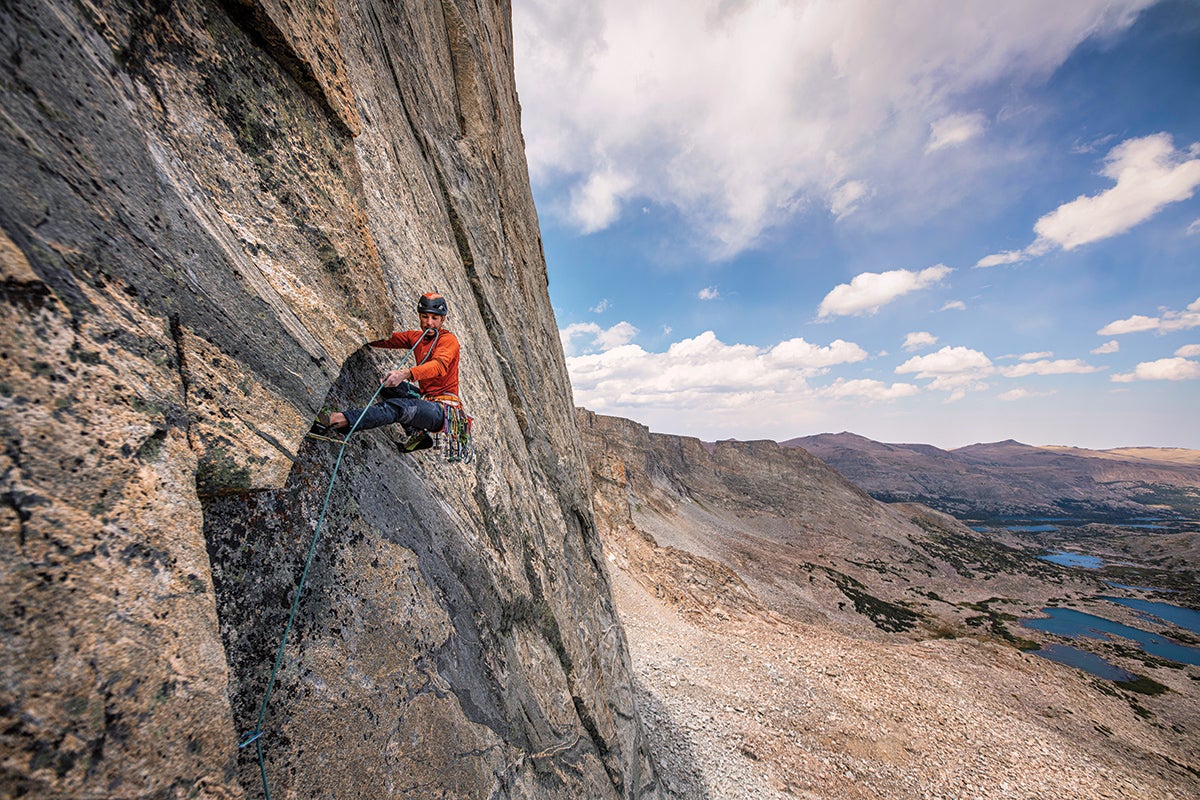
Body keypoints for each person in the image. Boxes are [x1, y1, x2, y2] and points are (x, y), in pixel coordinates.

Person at [317, 292, 461, 450]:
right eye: (425, 317)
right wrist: (356, 334)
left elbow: (439, 366)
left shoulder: (448, 341)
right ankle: (417, 434)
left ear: (443, 319)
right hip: (427, 399)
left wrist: (404, 373)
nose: (429, 323)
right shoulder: (417, 338)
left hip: (443, 409)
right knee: (388, 385)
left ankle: (338, 420)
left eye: (435, 318)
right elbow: (389, 340)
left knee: (397, 408)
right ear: (420, 316)